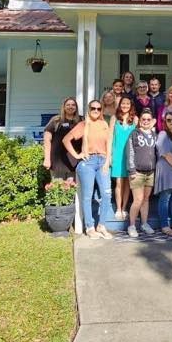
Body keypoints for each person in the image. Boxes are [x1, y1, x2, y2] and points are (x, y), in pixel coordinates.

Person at [63, 100, 115, 239]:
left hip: (103, 161)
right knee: (88, 196)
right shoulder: (83, 124)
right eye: (93, 108)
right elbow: (66, 139)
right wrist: (77, 155)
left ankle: (101, 225)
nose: (96, 111)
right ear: (89, 109)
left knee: (106, 194)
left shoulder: (105, 124)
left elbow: (109, 143)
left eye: (99, 109)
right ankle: (90, 227)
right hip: (88, 163)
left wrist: (108, 160)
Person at [126, 108, 158, 237]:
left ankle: (144, 224)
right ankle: (132, 225)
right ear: (139, 120)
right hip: (137, 172)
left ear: (152, 121)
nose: (145, 121)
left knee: (146, 199)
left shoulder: (154, 135)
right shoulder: (134, 133)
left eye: (148, 119)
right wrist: (132, 169)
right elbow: (130, 152)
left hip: (150, 172)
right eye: (143, 119)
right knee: (137, 199)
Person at [109, 96, 137, 221]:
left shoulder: (135, 119)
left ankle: (124, 208)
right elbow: (110, 137)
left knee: (127, 183)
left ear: (131, 105)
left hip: (130, 154)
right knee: (119, 183)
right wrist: (109, 155)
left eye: (127, 103)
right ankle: (118, 208)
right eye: (123, 103)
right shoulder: (114, 118)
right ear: (120, 105)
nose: (125, 105)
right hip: (117, 154)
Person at [42, 97, 81, 180]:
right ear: (64, 107)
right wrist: (47, 159)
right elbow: (46, 140)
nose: (71, 107)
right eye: (68, 105)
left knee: (72, 188)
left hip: (74, 161)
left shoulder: (81, 120)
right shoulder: (56, 120)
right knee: (57, 188)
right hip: (58, 162)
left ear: (76, 107)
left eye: (73, 105)